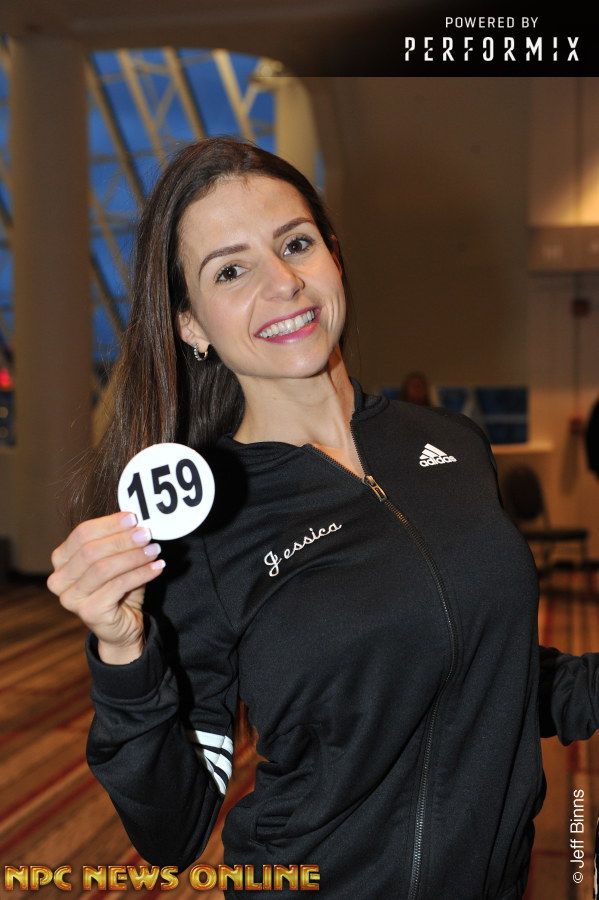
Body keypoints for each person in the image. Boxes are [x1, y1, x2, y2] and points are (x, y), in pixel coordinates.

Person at [47, 137, 599, 899]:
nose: (282, 283)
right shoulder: (202, 527)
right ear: (190, 325)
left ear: (333, 256)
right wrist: (122, 652)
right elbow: (170, 830)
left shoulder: (452, 444)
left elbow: (477, 670)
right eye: (230, 270)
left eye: (296, 244)